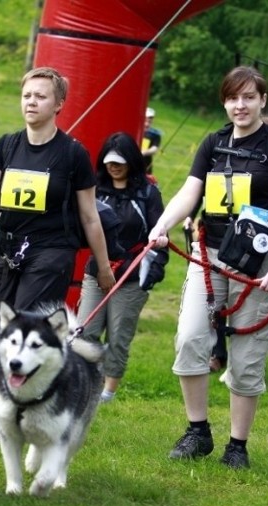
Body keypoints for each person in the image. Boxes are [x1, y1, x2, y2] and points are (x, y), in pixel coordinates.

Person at [147, 65, 268, 469]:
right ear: (225, 102)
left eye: (249, 97)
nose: (240, 105)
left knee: (248, 355)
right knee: (190, 337)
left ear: (263, 101)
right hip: (208, 255)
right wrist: (161, 224)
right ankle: (198, 431)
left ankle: (238, 445)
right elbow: (190, 191)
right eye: (233, 98)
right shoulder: (213, 143)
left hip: (259, 264)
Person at [0, 66, 115, 360]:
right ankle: (9, 391)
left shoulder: (73, 154)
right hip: (6, 247)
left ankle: (25, 397)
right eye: (26, 95)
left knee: (25, 326)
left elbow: (89, 216)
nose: (31, 102)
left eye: (40, 96)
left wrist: (103, 267)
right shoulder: (5, 145)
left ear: (59, 104)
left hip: (50, 251)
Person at [77, 132, 168, 403]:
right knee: (86, 330)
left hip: (131, 275)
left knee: (119, 336)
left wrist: (151, 274)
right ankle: (85, 385)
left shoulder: (148, 193)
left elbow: (160, 237)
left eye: (119, 161)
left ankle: (108, 391)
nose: (113, 166)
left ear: (132, 161)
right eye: (109, 161)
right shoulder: (93, 189)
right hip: (97, 271)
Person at [141, 107, 162, 175]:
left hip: (146, 165)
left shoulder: (155, 134)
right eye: (145, 120)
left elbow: (155, 149)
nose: (147, 123)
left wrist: (144, 152)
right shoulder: (135, 130)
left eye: (149, 121)